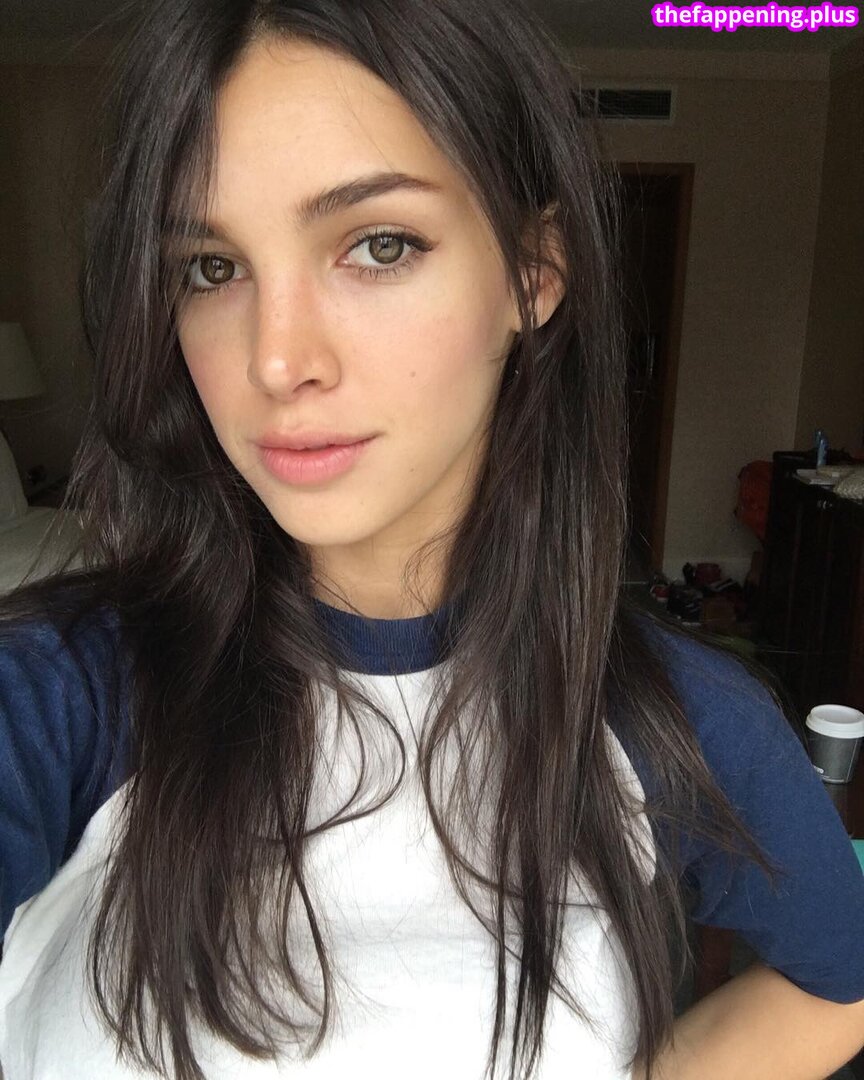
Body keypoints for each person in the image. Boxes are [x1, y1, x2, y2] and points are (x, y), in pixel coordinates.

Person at [0, 1, 863, 1078]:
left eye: (378, 245)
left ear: (532, 274)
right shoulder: (63, 694)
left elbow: (840, 979)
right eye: (212, 268)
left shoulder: (679, 717)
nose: (277, 361)